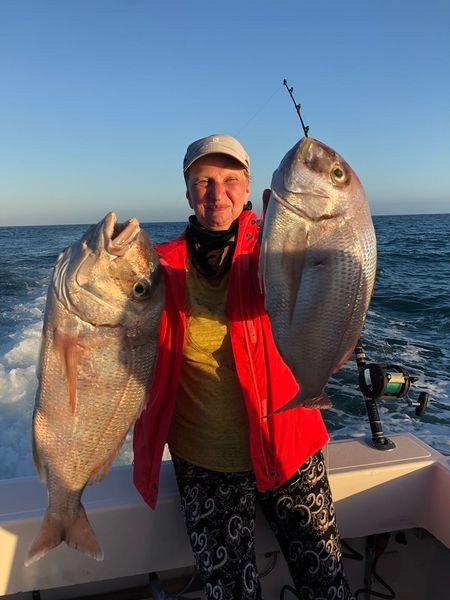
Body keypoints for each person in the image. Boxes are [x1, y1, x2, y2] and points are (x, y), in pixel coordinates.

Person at [133, 134, 353, 600]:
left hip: (289, 449)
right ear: (187, 191)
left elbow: (324, 268)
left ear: (250, 187)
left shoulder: (273, 248)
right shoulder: (160, 267)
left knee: (327, 586)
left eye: (230, 180)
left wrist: (308, 219)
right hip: (203, 464)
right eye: (203, 181)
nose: (217, 193)